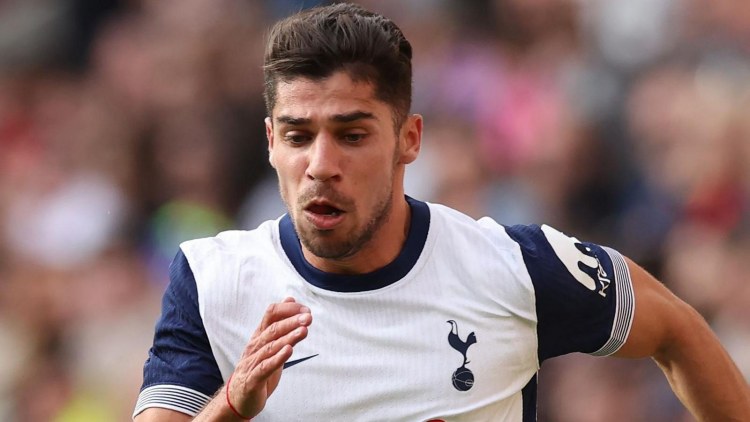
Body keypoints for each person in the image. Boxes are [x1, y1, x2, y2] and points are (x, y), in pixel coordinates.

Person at [133, 3, 750, 421]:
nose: (320, 164)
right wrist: (231, 407)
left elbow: (677, 329)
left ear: (409, 140)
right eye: (298, 136)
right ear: (271, 142)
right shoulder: (211, 280)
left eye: (352, 135)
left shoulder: (514, 267)